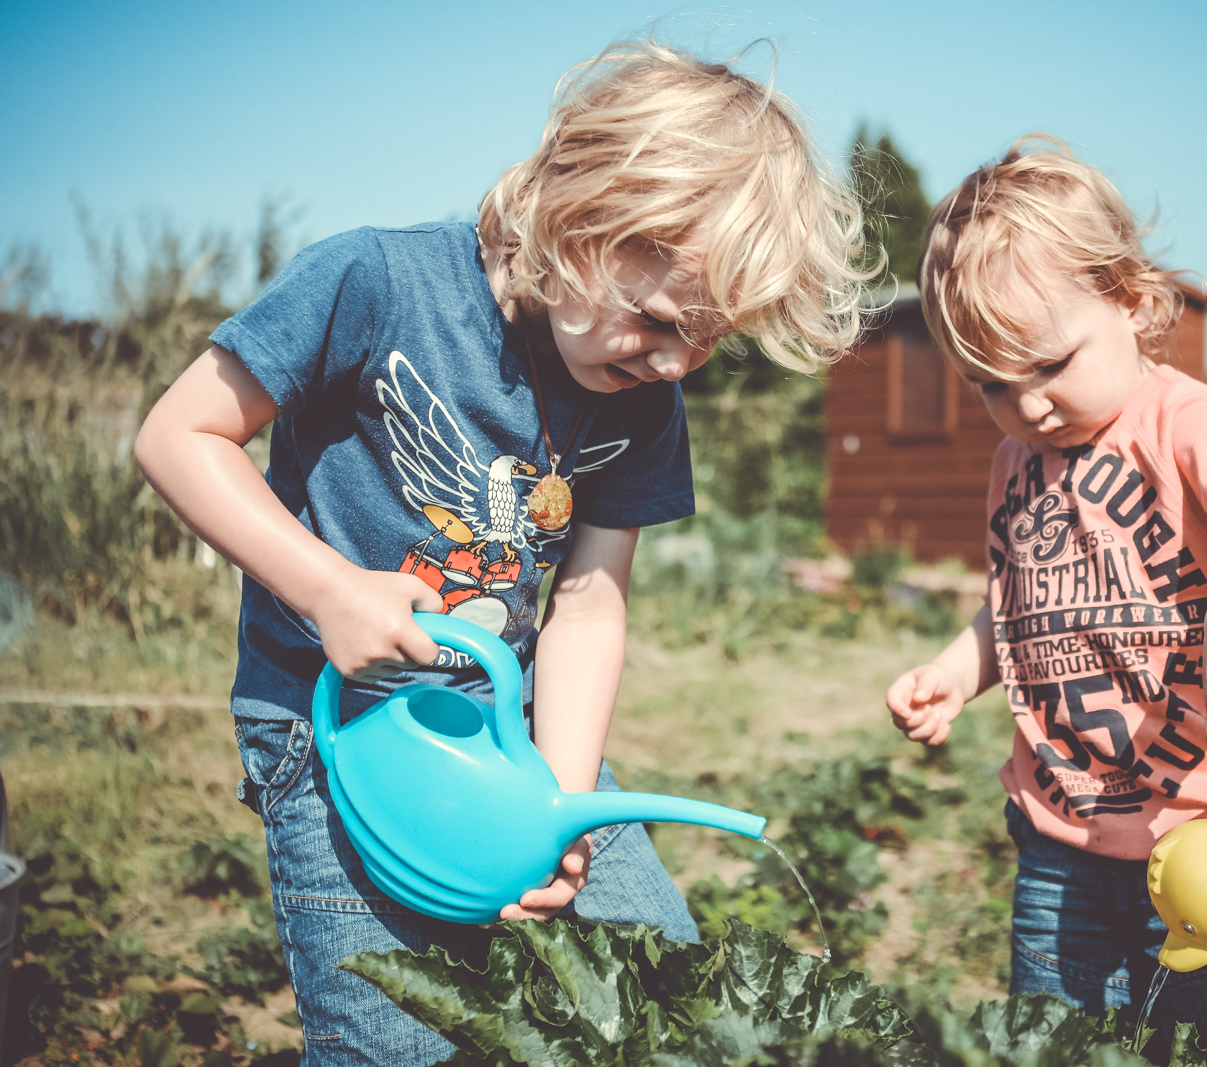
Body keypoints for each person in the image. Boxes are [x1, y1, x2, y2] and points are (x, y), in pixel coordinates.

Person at [136, 41, 871, 1066]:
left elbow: (590, 603)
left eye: (708, 341)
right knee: (393, 1037)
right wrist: (328, 588)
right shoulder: (372, 282)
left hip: (513, 734)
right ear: (577, 212)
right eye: (659, 322)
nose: (673, 364)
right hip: (335, 728)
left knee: (658, 1000)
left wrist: (560, 805)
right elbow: (179, 435)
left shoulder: (644, 395)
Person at [884, 136, 1207, 1056]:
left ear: (1130, 301)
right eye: (992, 386)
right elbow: (1018, 600)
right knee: (1054, 1043)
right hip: (1062, 840)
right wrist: (956, 667)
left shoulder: (1185, 422)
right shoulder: (1017, 457)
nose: (1029, 406)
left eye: (1050, 366)